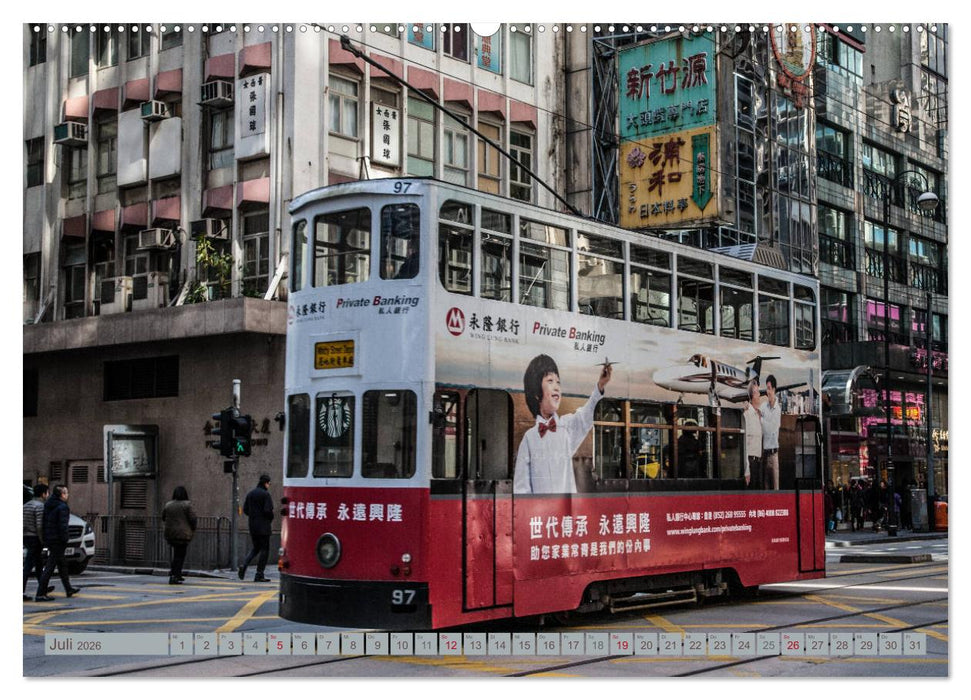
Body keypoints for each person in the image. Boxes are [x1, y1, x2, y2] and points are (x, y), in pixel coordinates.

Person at [514, 355, 612, 494]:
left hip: (565, 511)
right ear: (536, 393)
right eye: (550, 381)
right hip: (540, 514)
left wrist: (600, 386)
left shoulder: (566, 426)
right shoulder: (529, 439)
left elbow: (586, 416)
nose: (556, 387)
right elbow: (522, 488)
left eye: (558, 382)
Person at [35, 485, 80, 601]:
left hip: (50, 538)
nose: (67, 495)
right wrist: (65, 539)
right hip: (58, 540)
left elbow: (44, 523)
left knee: (62, 564)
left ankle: (68, 588)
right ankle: (40, 593)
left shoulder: (48, 505)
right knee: (50, 566)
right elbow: (63, 526)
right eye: (66, 493)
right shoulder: (62, 507)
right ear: (62, 495)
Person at [239, 474, 274, 582]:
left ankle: (244, 564)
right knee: (265, 550)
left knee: (255, 548)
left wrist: (254, 516)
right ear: (266, 483)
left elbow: (245, 510)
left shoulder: (250, 494)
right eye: (269, 483)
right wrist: (269, 518)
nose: (269, 485)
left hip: (253, 525)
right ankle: (259, 574)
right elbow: (268, 511)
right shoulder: (265, 495)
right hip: (263, 527)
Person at [162, 486, 198, 585]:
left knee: (176, 555)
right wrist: (193, 528)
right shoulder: (187, 505)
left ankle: (176, 574)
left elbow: (163, 517)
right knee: (180, 556)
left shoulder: (168, 504)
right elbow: (193, 518)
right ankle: (175, 576)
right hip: (183, 534)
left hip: (171, 534)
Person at [24, 483, 52, 601]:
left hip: (25, 536)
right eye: (47, 492)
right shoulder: (40, 506)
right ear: (43, 494)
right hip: (35, 537)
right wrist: (43, 540)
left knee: (38, 564)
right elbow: (39, 525)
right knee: (29, 566)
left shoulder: (25, 506)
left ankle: (43, 587)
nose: (48, 495)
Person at [759, 374, 782, 490]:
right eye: (766, 388)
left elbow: (772, 429)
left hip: (773, 455)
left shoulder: (777, 409)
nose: (767, 391)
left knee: (775, 488)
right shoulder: (763, 406)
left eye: (769, 388)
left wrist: (761, 420)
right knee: (765, 488)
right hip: (765, 453)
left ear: (773, 389)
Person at [743, 382, 763, 489]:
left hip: (759, 463)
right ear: (751, 396)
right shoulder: (747, 415)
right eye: (757, 392)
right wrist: (747, 471)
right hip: (751, 463)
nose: (759, 395)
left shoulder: (758, 415)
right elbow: (744, 444)